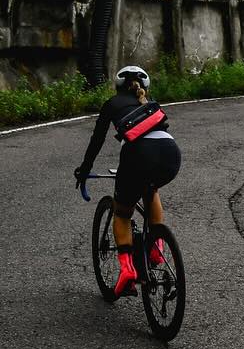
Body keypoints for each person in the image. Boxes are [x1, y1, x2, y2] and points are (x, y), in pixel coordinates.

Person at [73, 66, 182, 296]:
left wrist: (85, 170)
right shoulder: (150, 103)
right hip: (171, 154)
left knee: (122, 213)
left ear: (118, 87)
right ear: (144, 88)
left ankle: (127, 271)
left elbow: (97, 140)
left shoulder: (112, 104)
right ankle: (156, 246)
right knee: (151, 190)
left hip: (138, 156)